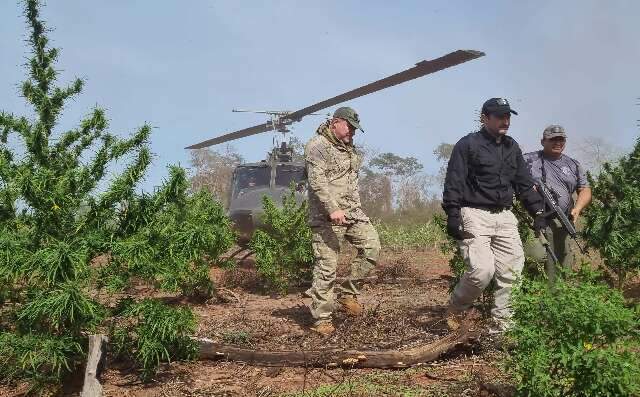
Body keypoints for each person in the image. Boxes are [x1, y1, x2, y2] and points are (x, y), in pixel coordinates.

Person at [442, 98, 546, 332]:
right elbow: (454, 181)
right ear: (485, 118)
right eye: (500, 116)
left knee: (512, 273)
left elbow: (524, 183)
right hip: (475, 214)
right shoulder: (467, 145)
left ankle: (501, 330)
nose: (505, 121)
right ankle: (456, 309)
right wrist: (452, 214)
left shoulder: (512, 147)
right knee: (481, 272)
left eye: (508, 116)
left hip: (505, 217)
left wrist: (537, 211)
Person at [304, 106, 381, 336]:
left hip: (352, 212)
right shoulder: (317, 146)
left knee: (371, 248)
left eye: (355, 129)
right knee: (327, 268)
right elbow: (317, 183)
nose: (352, 133)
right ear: (335, 122)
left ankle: (348, 293)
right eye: (349, 127)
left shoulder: (349, 147)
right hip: (327, 216)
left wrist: (352, 207)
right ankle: (322, 319)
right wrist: (333, 209)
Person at [523, 125, 591, 282]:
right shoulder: (528, 160)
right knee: (536, 256)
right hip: (535, 219)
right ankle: (530, 293)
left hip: (563, 220)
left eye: (561, 139)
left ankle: (557, 301)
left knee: (561, 264)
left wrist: (578, 208)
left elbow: (585, 189)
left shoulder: (573, 164)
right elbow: (512, 175)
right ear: (543, 141)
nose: (558, 142)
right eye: (553, 139)